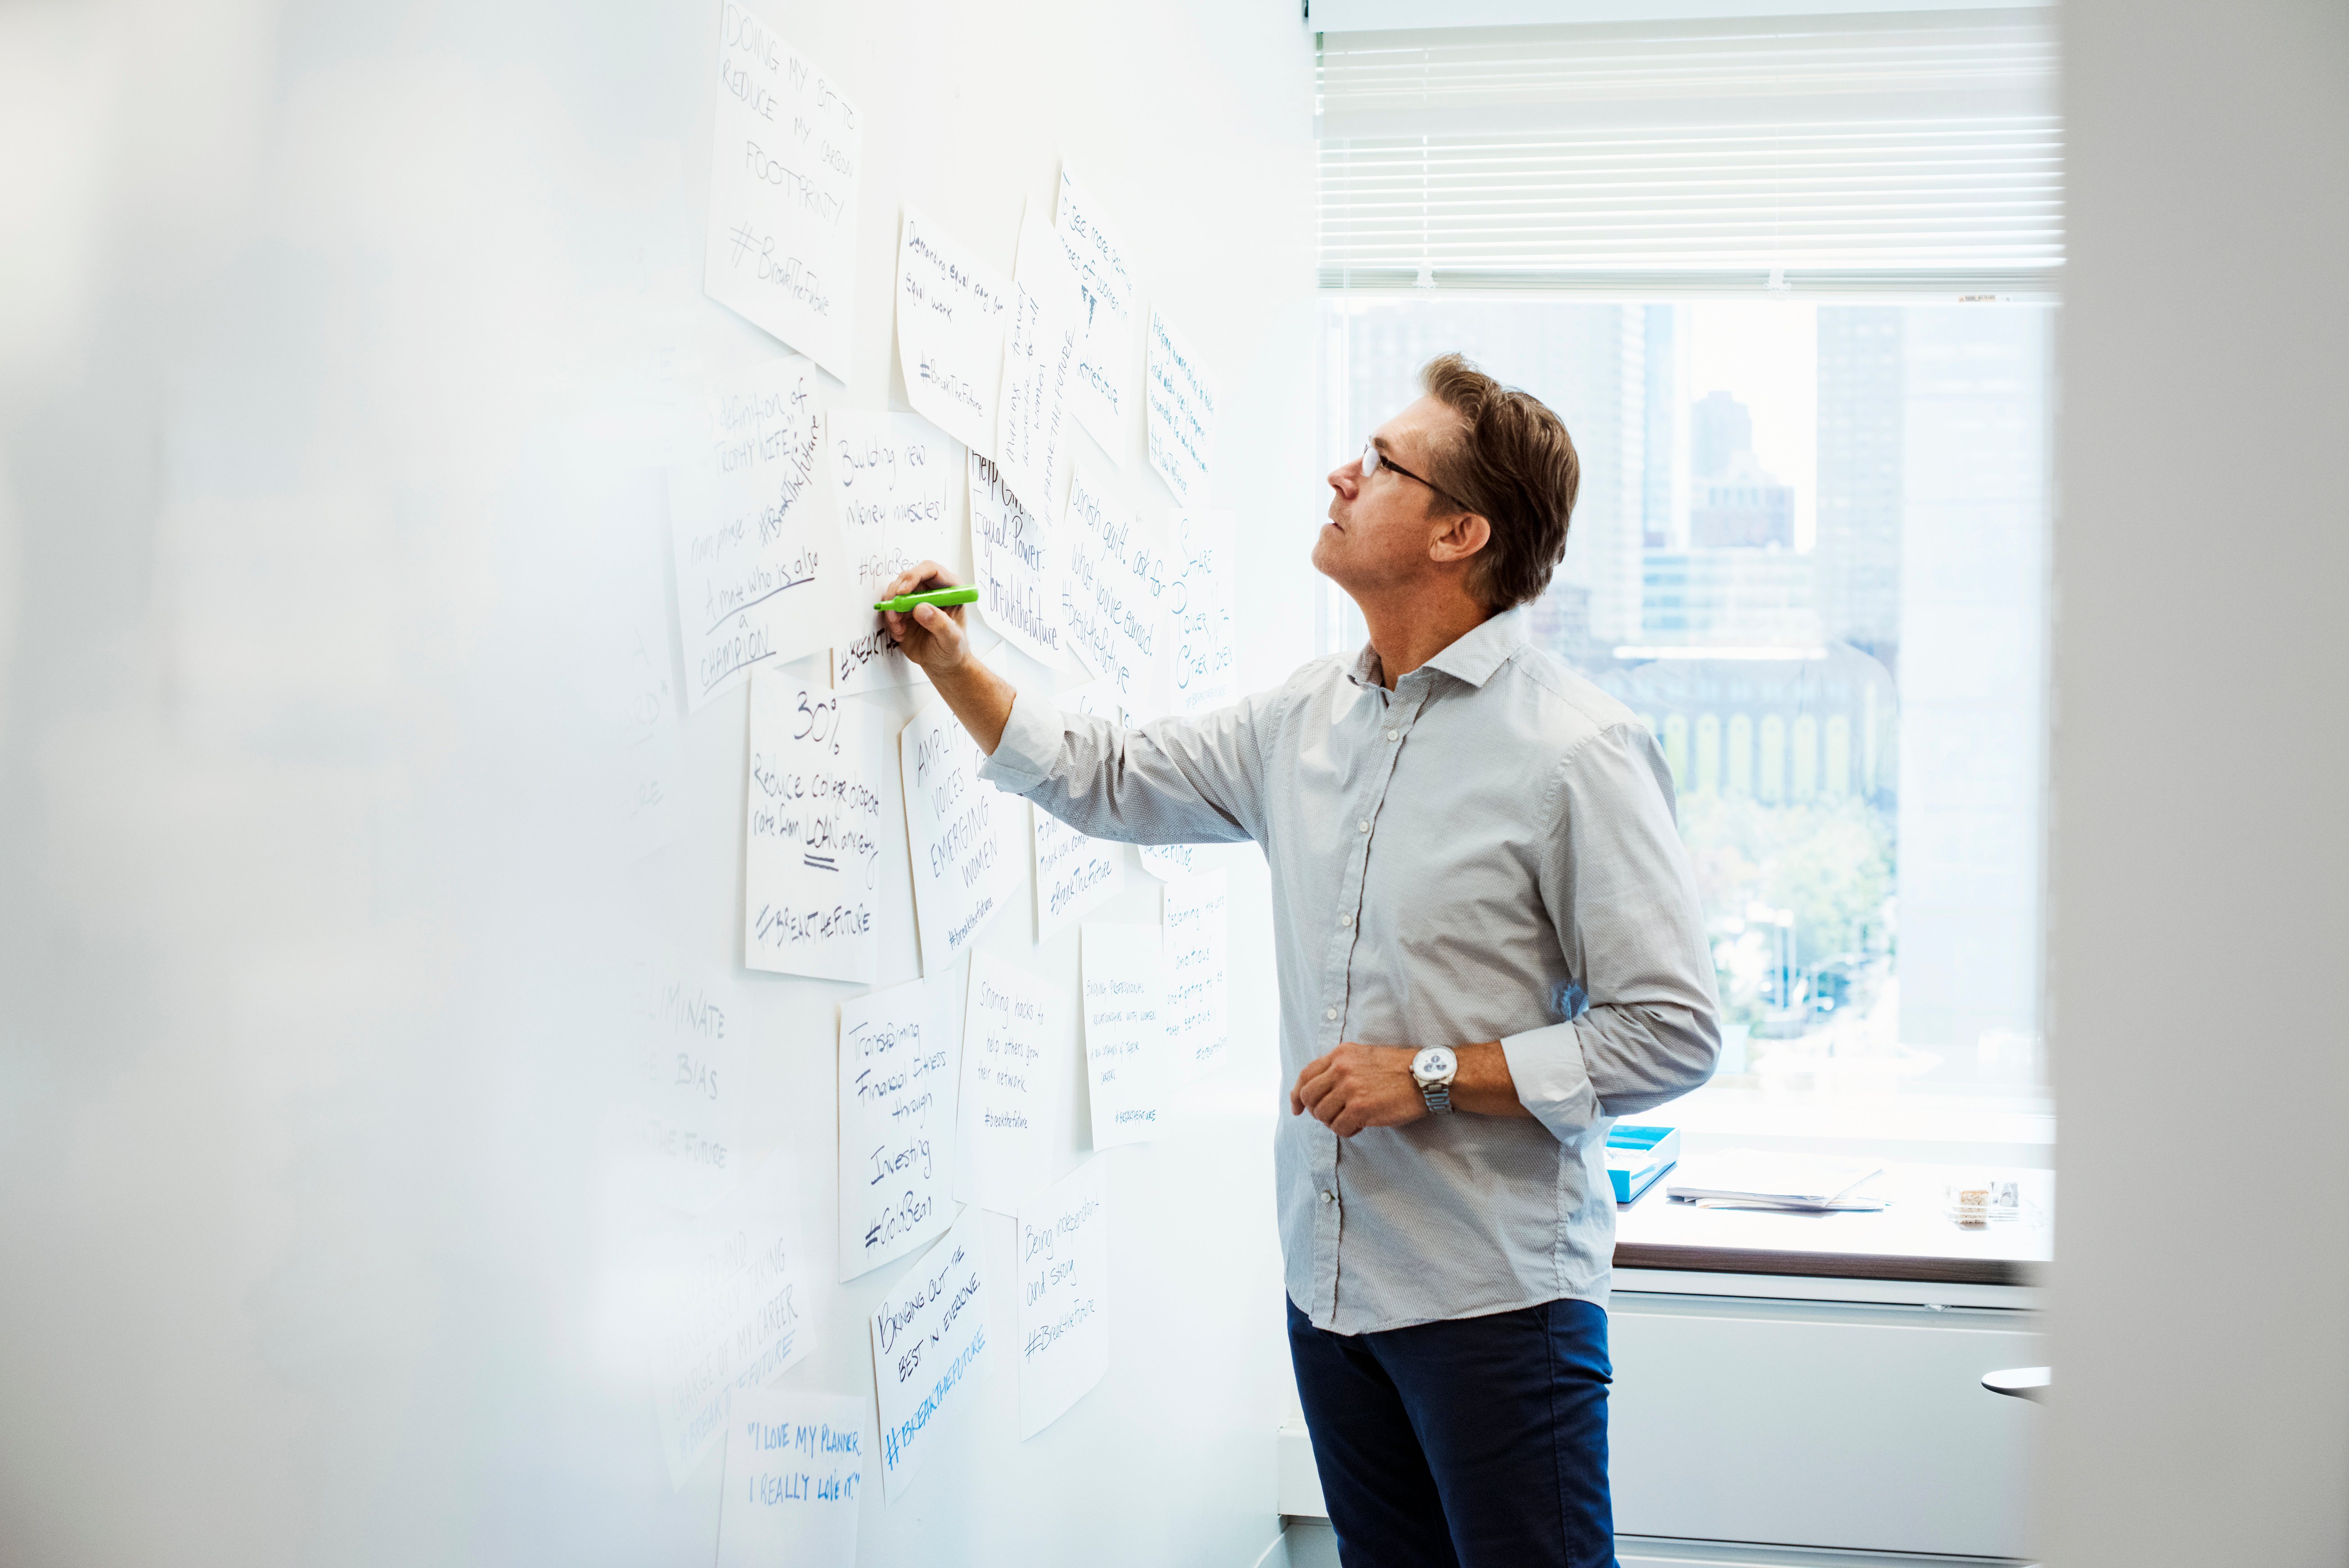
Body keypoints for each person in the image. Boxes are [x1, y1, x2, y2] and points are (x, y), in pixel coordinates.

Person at [880, 353, 1719, 1568]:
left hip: (1496, 1302)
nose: (1343, 472)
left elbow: (1670, 1031)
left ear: (1458, 532)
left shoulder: (1576, 751)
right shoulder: (1307, 716)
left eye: (1383, 462)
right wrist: (956, 667)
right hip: (1330, 1291)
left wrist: (1427, 1072)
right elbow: (1108, 775)